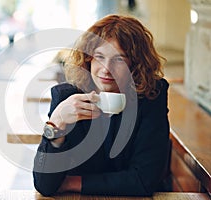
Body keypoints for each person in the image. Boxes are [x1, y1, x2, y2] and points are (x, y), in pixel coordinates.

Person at [33, 14, 172, 197]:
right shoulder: (66, 97)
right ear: (88, 58)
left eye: (119, 59)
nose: (106, 69)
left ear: (135, 65)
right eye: (99, 56)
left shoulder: (150, 98)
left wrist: (72, 182)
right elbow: (44, 184)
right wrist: (57, 121)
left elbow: (143, 181)